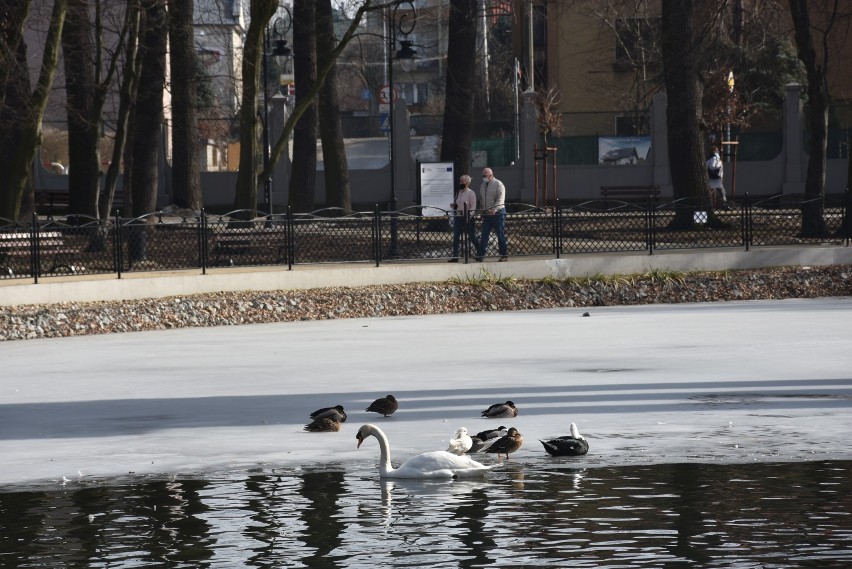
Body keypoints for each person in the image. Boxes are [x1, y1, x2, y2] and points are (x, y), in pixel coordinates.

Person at [476, 167, 508, 261]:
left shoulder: (498, 184)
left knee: (500, 234)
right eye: (482, 176)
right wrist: (482, 211)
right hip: (487, 214)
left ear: (491, 175)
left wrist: (495, 209)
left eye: (485, 176)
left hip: (498, 213)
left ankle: (504, 255)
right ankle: (480, 256)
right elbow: (482, 200)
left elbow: (500, 198)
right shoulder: (482, 185)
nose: (483, 177)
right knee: (484, 235)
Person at [448, 174, 478, 262]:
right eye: (460, 181)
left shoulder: (471, 193)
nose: (460, 183)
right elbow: (457, 203)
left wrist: (468, 217)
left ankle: (480, 252)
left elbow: (473, 207)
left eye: (462, 181)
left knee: (472, 237)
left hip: (468, 218)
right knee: (456, 237)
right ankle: (455, 256)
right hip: (459, 217)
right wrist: (454, 205)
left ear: (467, 183)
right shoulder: (459, 192)